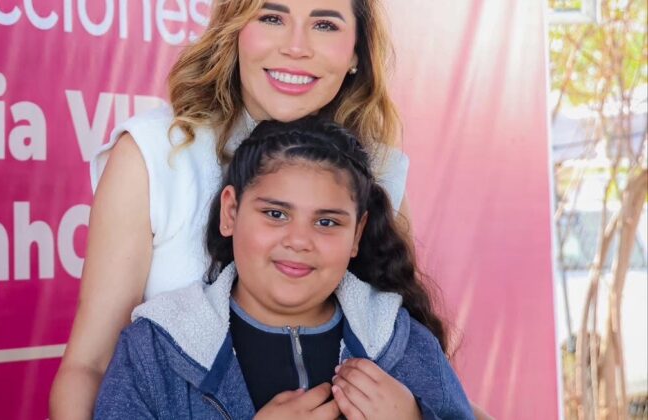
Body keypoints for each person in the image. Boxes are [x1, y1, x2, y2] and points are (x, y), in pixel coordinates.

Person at [50, 1, 412, 418]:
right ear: (234, 30)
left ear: (355, 53)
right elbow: (90, 366)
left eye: (325, 25)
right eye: (272, 18)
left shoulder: (379, 171)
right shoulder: (153, 155)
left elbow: (419, 353)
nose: (296, 47)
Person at [93, 117, 475, 419]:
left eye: (326, 222)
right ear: (230, 212)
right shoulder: (153, 350)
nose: (299, 240)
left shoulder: (402, 342)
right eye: (275, 214)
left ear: (357, 234)